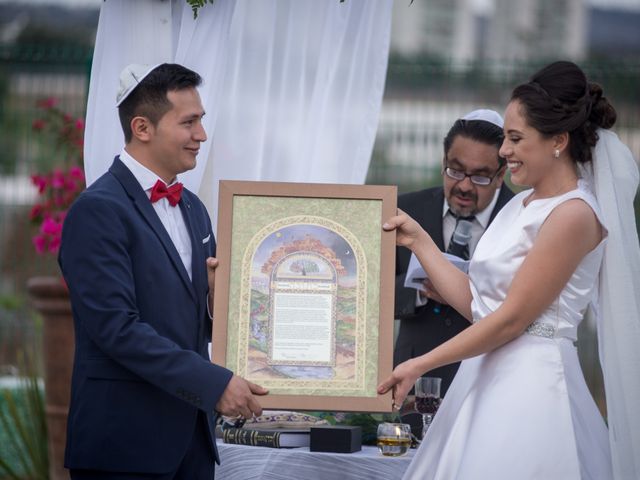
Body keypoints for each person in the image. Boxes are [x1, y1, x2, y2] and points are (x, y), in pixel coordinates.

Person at [379, 60, 640, 479]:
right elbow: (477, 304)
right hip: (483, 378)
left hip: (533, 391)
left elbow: (512, 320)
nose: (504, 152)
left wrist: (419, 363)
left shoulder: (574, 214)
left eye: (516, 139)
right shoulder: (521, 203)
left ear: (558, 140)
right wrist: (418, 242)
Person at [59, 63, 267, 479]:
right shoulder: (97, 210)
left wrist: (213, 300)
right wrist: (214, 384)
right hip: (124, 447)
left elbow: (189, 320)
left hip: (192, 442)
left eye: (201, 121)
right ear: (142, 127)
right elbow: (117, 329)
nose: (202, 135)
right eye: (189, 122)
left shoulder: (194, 209)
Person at [394, 109, 513, 401]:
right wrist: (420, 291)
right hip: (414, 380)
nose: (464, 185)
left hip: (490, 381)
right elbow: (371, 294)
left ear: (501, 176)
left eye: (481, 177)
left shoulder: (521, 216)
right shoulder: (406, 208)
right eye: (455, 170)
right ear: (443, 162)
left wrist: (464, 291)